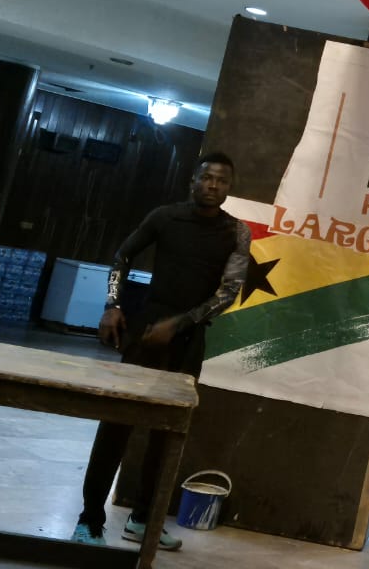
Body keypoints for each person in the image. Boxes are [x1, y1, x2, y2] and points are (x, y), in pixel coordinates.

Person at [71, 151, 251, 550]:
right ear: (193, 180)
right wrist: (112, 304)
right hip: (146, 333)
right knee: (116, 425)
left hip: (187, 341)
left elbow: (228, 292)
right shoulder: (165, 217)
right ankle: (89, 520)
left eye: (222, 180)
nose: (213, 185)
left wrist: (181, 324)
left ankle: (142, 520)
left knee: (166, 434)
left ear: (229, 187)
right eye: (206, 177)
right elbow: (121, 256)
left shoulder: (237, 232)